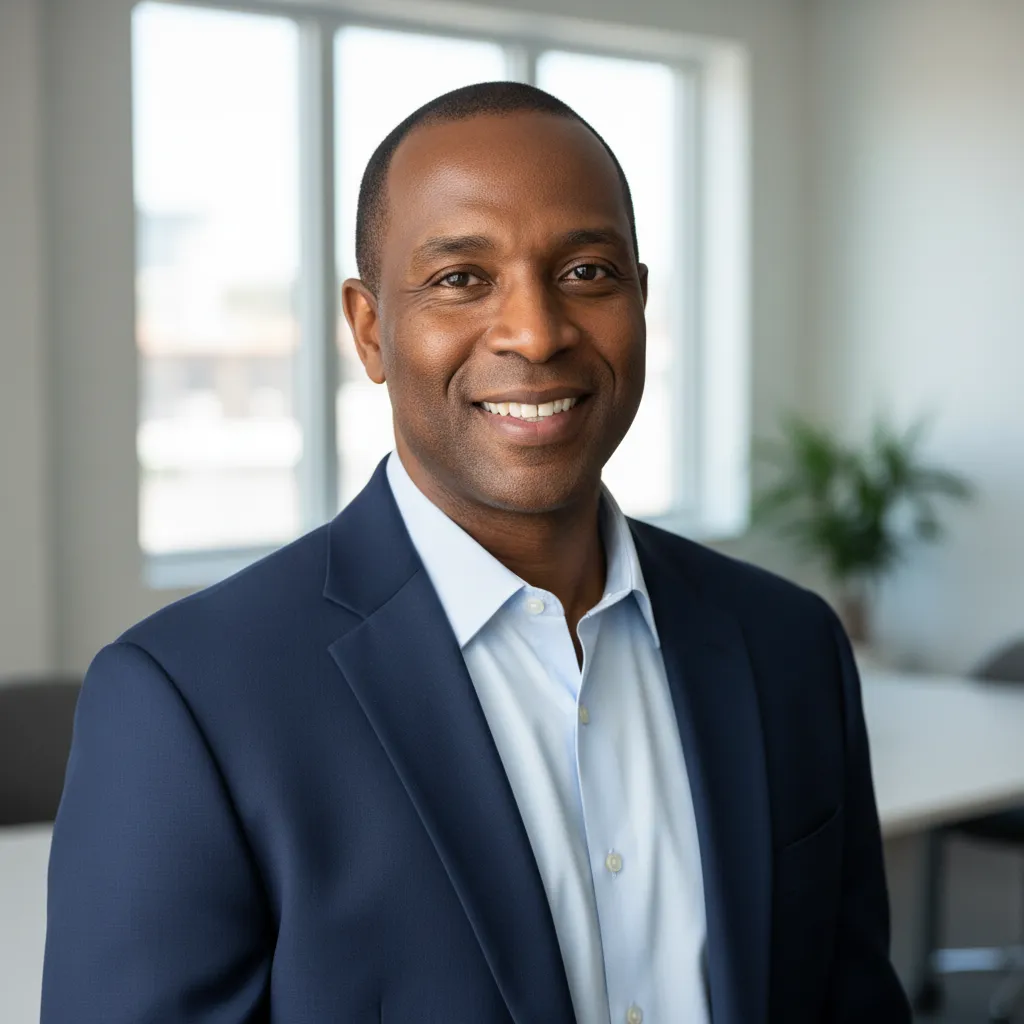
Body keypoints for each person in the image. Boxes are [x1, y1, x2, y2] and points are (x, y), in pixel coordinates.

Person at [42, 82, 911, 1024]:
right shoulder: (189, 701)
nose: (536, 333)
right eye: (461, 279)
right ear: (371, 328)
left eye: (586, 272)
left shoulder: (787, 644)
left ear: (642, 301)